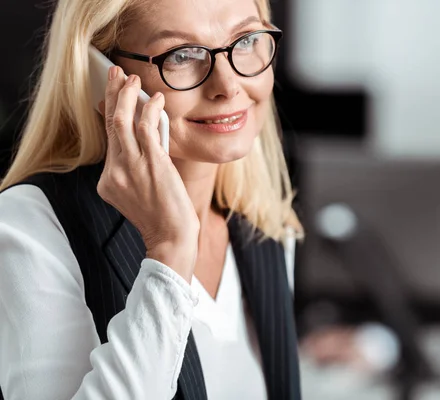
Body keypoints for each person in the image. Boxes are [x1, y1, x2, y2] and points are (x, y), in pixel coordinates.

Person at [0, 0, 302, 399]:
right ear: (99, 72)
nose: (229, 86)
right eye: (183, 55)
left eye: (246, 40)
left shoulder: (264, 226)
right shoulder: (29, 226)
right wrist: (170, 250)